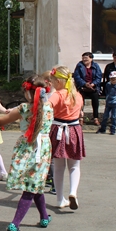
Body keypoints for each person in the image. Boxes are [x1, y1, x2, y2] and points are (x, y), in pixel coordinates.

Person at [0, 75, 53, 231]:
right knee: (34, 183)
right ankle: (37, 218)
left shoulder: (24, 108)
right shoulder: (50, 107)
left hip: (28, 148)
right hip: (43, 148)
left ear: (28, 92)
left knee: (32, 185)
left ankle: (19, 222)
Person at [49, 65, 85, 210]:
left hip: (58, 130)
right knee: (74, 166)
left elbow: (46, 106)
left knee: (58, 167)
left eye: (52, 81)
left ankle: (59, 199)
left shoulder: (57, 94)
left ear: (58, 81)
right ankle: (73, 192)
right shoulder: (77, 95)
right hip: (74, 130)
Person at [73, 52, 102, 126]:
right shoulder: (79, 66)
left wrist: (93, 84)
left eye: (86, 58)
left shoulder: (96, 66)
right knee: (80, 100)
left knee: (95, 99)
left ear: (91, 59)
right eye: (83, 58)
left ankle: (95, 118)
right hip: (82, 87)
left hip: (93, 88)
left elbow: (99, 77)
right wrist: (85, 84)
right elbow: (77, 77)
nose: (84, 60)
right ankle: (81, 118)